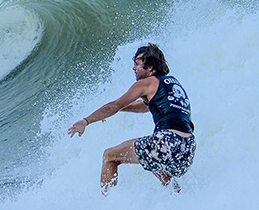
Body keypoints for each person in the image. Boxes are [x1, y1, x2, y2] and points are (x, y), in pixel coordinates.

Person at [68, 43, 195, 192]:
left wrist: (86, 121)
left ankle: (106, 206)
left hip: (167, 141)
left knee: (110, 156)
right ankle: (178, 198)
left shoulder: (147, 83)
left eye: (137, 64)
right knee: (154, 163)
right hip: (188, 149)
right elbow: (143, 106)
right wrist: (120, 109)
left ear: (150, 67)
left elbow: (114, 106)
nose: (133, 68)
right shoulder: (171, 84)